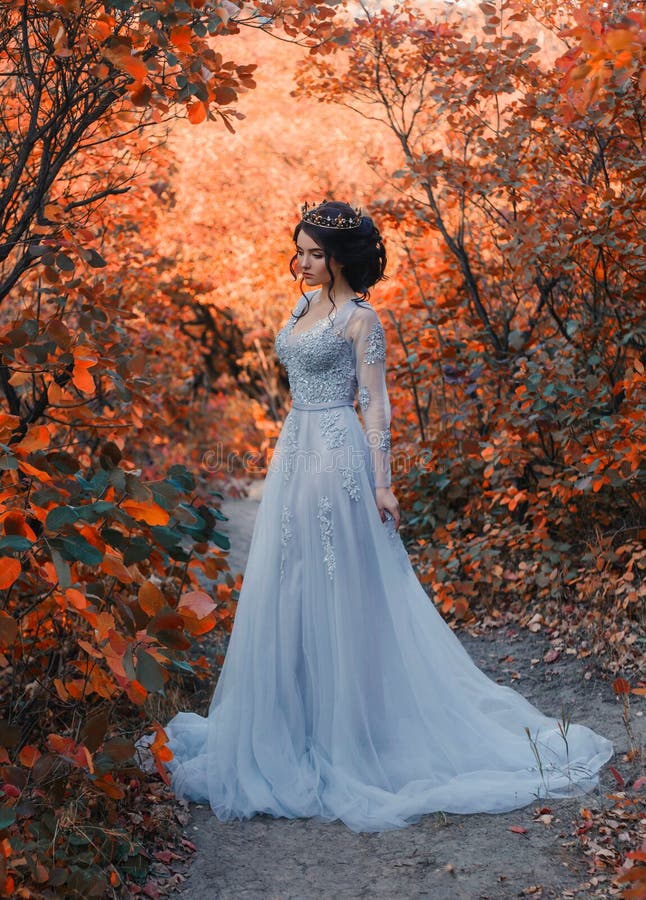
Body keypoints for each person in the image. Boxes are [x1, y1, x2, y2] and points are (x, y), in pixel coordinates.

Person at [161, 200, 613, 833]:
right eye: (300, 251)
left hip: (340, 454)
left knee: (342, 585)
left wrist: (384, 484)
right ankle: (291, 724)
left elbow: (377, 406)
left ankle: (355, 730)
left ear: (341, 258)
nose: (304, 262)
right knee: (288, 583)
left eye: (315, 253)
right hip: (294, 451)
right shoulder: (299, 309)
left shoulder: (360, 320)